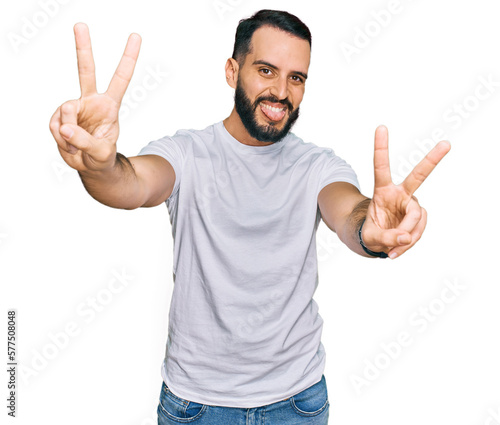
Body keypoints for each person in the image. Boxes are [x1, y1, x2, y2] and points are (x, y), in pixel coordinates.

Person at [49, 9, 450, 425]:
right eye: (266, 70)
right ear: (232, 71)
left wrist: (371, 229)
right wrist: (97, 166)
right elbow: (130, 185)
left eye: (296, 77)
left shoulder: (317, 166)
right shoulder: (186, 153)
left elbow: (349, 213)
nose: (281, 91)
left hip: (298, 401)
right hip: (195, 404)